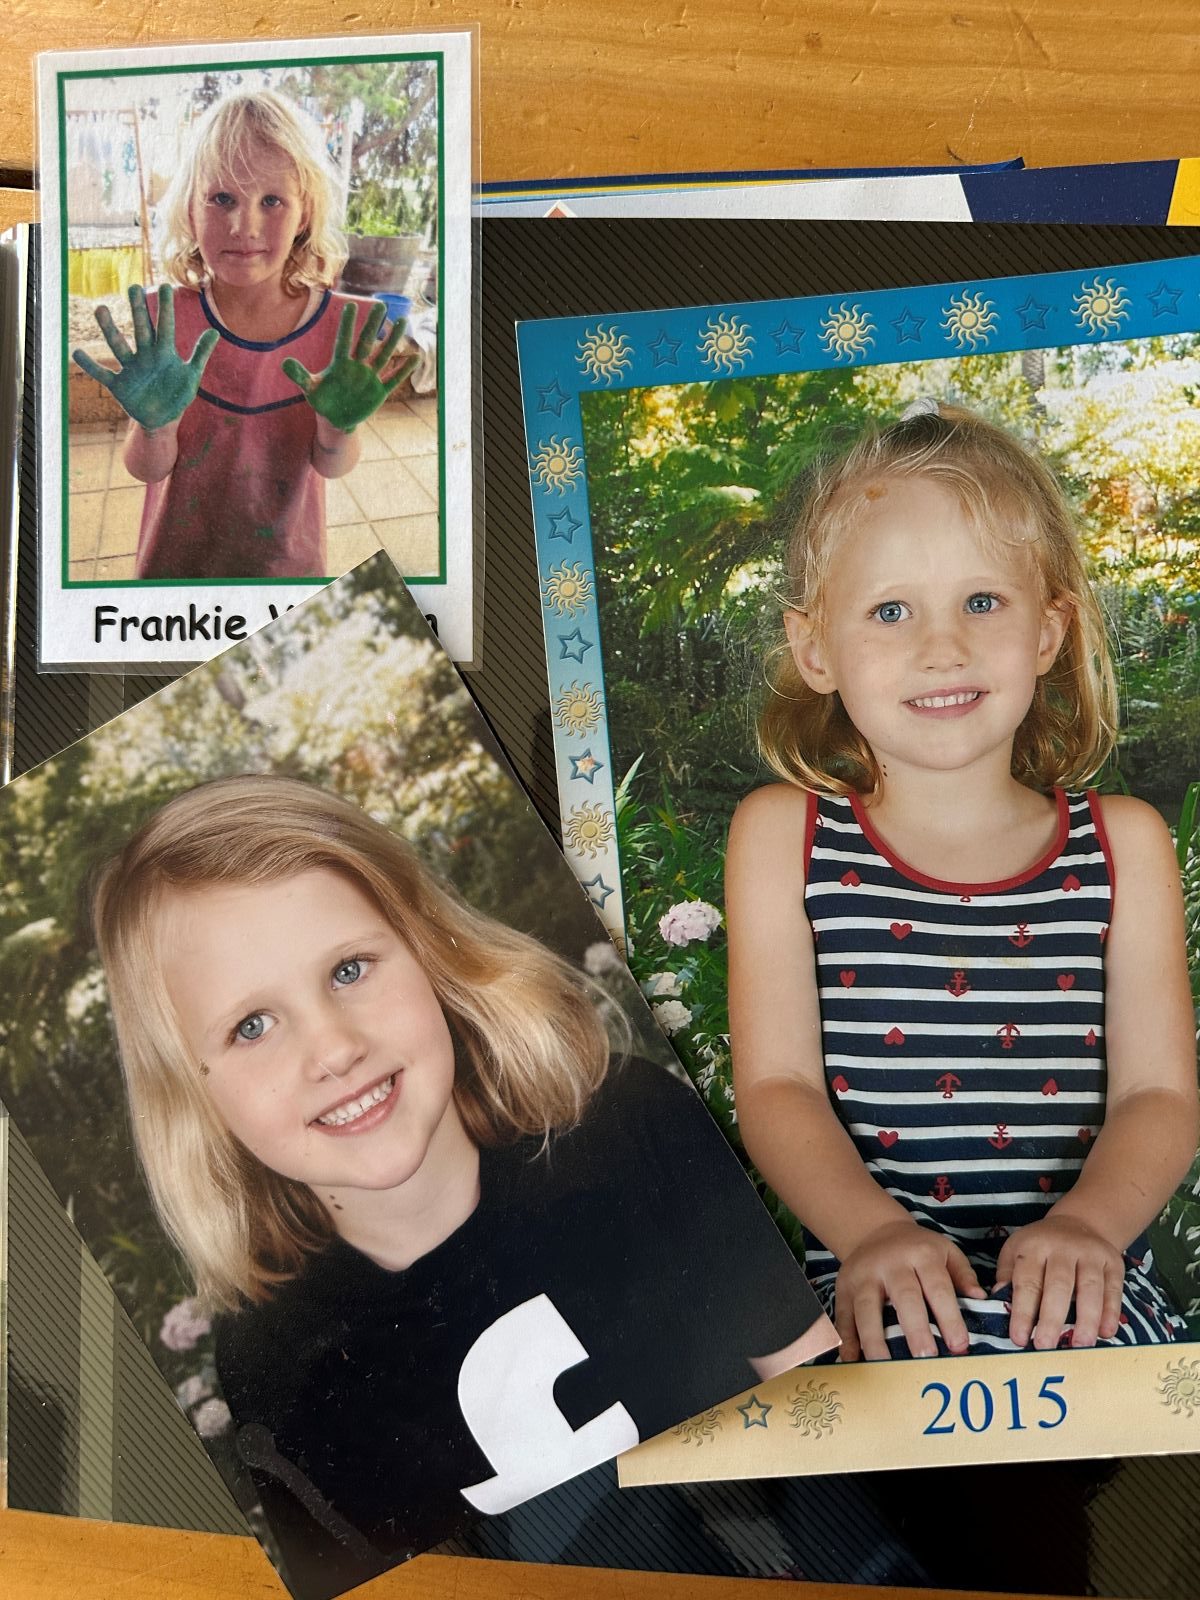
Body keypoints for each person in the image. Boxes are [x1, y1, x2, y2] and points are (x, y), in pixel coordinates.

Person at [91, 775, 829, 1598]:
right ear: (192, 1094)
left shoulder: (631, 1130)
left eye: (349, 970)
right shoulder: (274, 1360)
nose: (331, 1049)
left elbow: (829, 1407)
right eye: (251, 1026)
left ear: (428, 948)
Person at [726, 399, 1198, 1364]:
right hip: (866, 1283)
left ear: (1047, 633)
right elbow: (777, 1086)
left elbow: (1159, 1095)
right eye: (891, 611)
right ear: (816, 648)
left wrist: (1093, 1229)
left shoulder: (1124, 844)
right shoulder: (784, 837)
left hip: (1087, 1297)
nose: (942, 647)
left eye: (983, 602)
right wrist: (870, 1235)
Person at [71, 91, 415, 581]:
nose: (243, 225)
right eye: (221, 198)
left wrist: (339, 430)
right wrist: (154, 427)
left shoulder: (337, 335)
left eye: (272, 200)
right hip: (176, 575)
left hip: (285, 575)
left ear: (305, 214)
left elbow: (332, 466)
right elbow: (147, 470)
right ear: (190, 210)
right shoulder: (167, 325)